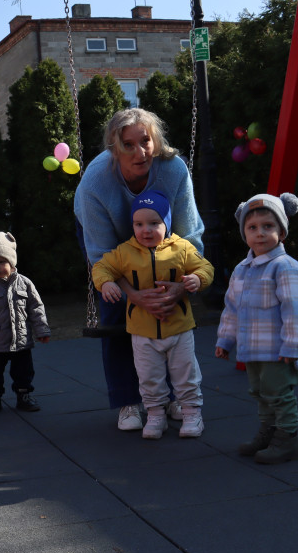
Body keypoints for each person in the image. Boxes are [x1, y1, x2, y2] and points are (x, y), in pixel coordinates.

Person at [74, 107, 206, 432]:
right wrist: (133, 295)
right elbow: (103, 259)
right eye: (129, 145)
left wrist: (178, 288)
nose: (140, 152)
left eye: (145, 141)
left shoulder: (173, 169)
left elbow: (189, 236)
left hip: (163, 237)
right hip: (109, 238)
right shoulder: (95, 184)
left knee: (168, 310)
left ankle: (173, 396)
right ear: (114, 148)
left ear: (155, 140)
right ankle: (127, 401)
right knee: (117, 311)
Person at [93, 190, 214, 439]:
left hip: (179, 328)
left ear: (166, 224)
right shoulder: (125, 252)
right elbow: (101, 267)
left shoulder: (181, 247)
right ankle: (156, 415)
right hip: (142, 331)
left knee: (186, 374)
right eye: (139, 224)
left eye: (154, 223)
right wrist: (106, 283)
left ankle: (192, 414)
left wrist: (196, 278)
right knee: (149, 377)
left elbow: (205, 267)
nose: (146, 230)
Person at [215, 193, 298, 464]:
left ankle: (288, 440)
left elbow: (295, 309)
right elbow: (232, 309)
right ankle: (269, 432)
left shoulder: (285, 267)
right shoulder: (242, 269)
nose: (260, 233)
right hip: (251, 349)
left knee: (279, 394)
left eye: (268, 226)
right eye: (252, 227)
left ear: (282, 231)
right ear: (244, 232)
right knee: (259, 392)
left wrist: (292, 345)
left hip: (277, 350)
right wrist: (225, 340)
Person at [0, 232, 51, 415]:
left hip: (21, 340)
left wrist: (42, 330)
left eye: (1, 262)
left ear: (12, 262)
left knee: (24, 371)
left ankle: (24, 396)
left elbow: (36, 308)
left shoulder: (25, 283)